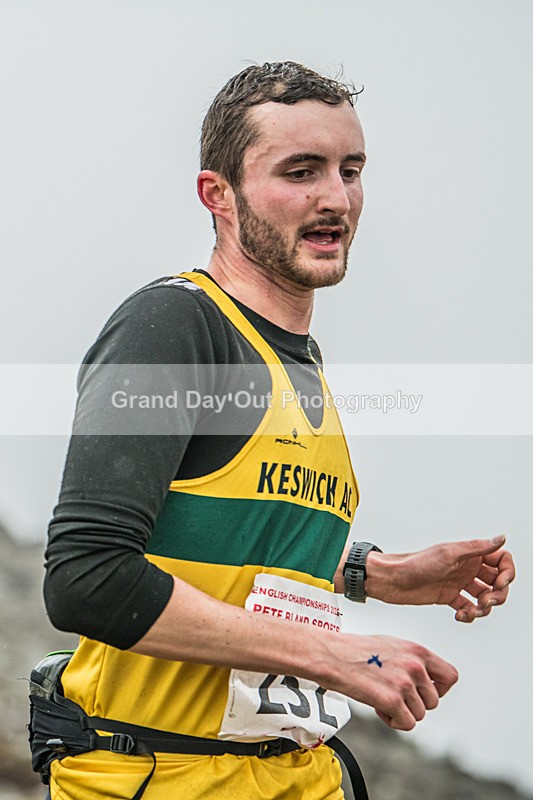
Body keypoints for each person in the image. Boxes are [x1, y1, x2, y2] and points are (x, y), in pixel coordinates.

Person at [43, 61, 515, 800]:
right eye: (301, 171)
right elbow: (87, 577)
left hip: (294, 777)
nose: (336, 198)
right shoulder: (173, 326)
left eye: (349, 170)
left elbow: (213, 539)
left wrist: (375, 575)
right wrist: (334, 655)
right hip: (159, 779)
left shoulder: (297, 360)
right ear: (218, 195)